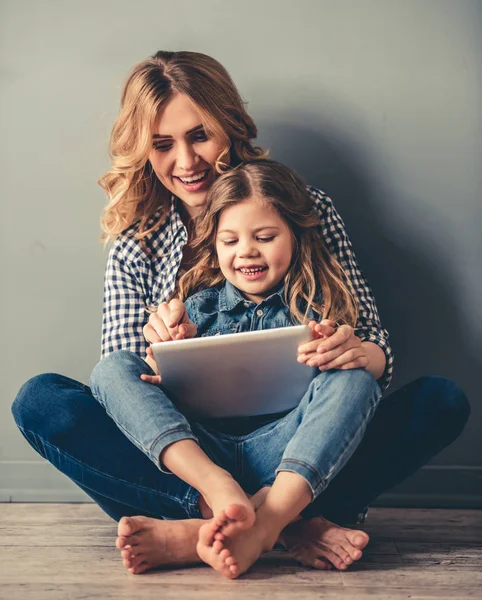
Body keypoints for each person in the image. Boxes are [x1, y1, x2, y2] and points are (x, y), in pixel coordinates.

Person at [11, 51, 469, 576]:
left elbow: (370, 351)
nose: (186, 162)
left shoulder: (301, 207)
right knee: (46, 399)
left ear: (230, 126)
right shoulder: (136, 242)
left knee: (438, 399)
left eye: (200, 136)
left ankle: (207, 532)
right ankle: (273, 522)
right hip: (193, 455)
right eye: (163, 145)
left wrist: (358, 351)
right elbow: (124, 396)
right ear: (144, 151)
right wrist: (160, 349)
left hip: (296, 442)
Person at [89, 159, 389, 579]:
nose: (246, 251)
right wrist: (168, 359)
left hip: (287, 455)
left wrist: (348, 354)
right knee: (113, 369)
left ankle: (262, 526)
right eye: (229, 241)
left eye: (264, 237)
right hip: (205, 453)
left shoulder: (321, 309)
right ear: (214, 246)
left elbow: (348, 390)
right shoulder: (196, 307)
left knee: (358, 376)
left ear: (295, 238)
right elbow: (151, 395)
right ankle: (226, 497)